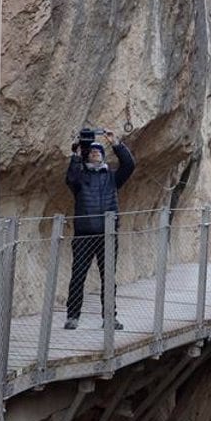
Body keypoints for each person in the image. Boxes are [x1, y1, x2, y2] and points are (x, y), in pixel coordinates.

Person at [64, 126, 136, 330]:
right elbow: (70, 179)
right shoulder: (80, 177)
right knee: (78, 275)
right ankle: (72, 316)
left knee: (109, 278)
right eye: (92, 151)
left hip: (108, 233)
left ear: (104, 156)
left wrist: (116, 143)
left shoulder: (112, 177)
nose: (95, 152)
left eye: (99, 151)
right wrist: (76, 156)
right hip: (84, 234)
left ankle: (109, 318)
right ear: (87, 155)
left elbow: (129, 165)